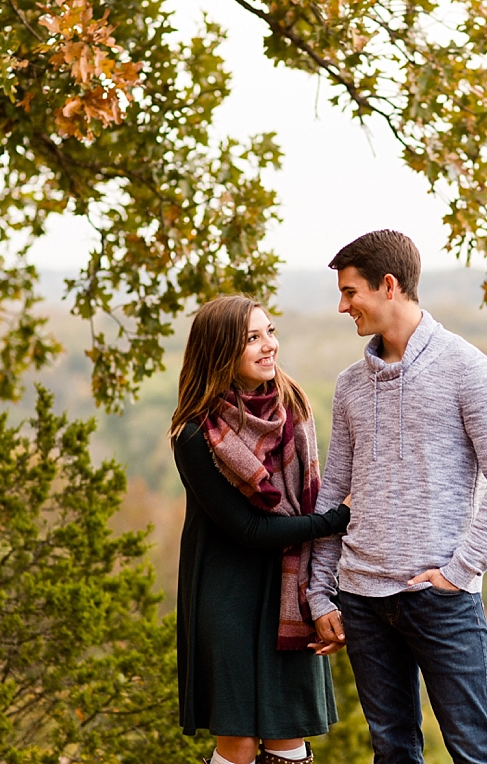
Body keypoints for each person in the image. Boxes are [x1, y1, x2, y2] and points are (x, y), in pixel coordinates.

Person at [307, 230, 487, 764]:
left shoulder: (467, 369)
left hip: (440, 600)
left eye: (350, 292)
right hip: (361, 602)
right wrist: (321, 595)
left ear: (389, 286)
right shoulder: (349, 385)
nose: (342, 306)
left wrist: (460, 572)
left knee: (475, 753)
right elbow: (333, 493)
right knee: (393, 754)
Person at [171, 295, 351, 764]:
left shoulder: (293, 408)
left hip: (287, 589)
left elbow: (310, 492)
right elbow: (248, 529)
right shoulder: (194, 433)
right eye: (253, 337)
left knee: (288, 737)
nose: (269, 345)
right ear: (220, 349)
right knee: (239, 742)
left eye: (270, 332)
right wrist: (339, 518)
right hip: (225, 595)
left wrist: (323, 594)